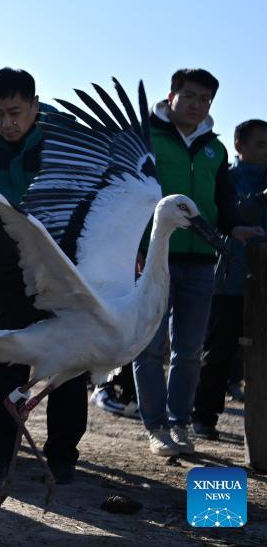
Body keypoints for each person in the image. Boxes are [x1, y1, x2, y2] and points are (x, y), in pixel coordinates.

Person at [0, 67, 88, 484]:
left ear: (35, 105)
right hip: (2, 271)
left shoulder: (67, 140)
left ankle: (62, 457)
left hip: (64, 269)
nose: (6, 123)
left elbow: (95, 197)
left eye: (15, 112)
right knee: (5, 360)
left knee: (68, 362)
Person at [132, 69, 263, 457]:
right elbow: (128, 195)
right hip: (153, 259)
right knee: (149, 347)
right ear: (171, 95)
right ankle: (156, 427)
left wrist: (235, 227)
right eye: (189, 95)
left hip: (203, 261)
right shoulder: (145, 138)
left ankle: (179, 423)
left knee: (189, 350)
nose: (196, 104)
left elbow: (222, 200)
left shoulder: (215, 149)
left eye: (205, 99)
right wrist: (132, 247)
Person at [192, 120, 267, 439]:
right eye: (261, 144)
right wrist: (260, 199)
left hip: (264, 283)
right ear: (239, 146)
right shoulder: (228, 179)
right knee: (218, 352)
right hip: (230, 281)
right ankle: (203, 417)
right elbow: (227, 216)